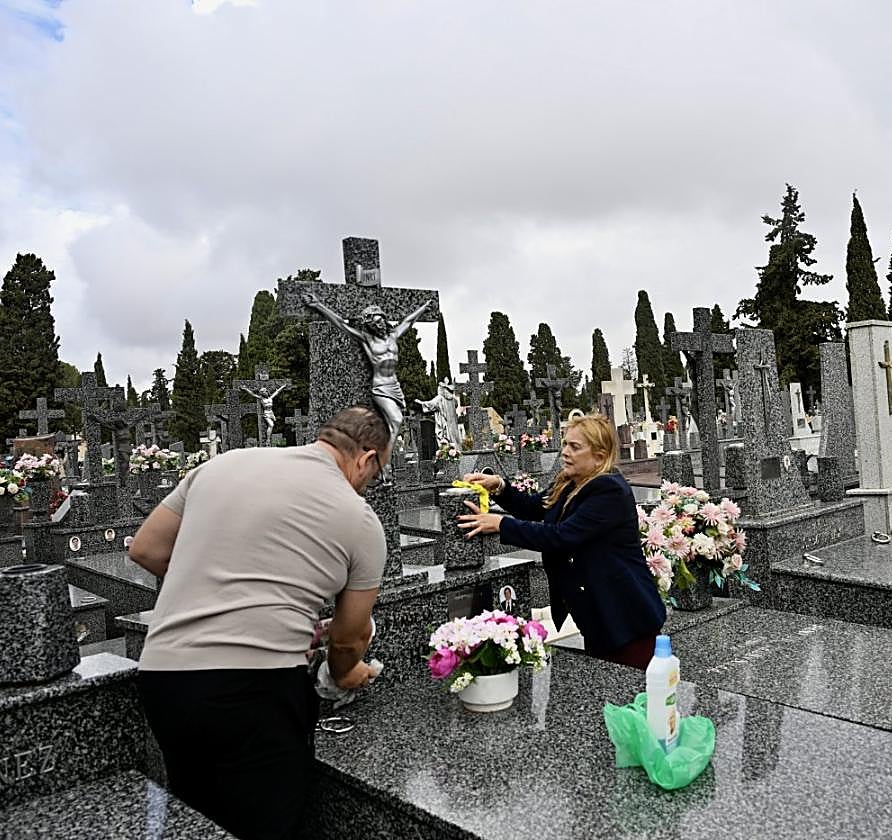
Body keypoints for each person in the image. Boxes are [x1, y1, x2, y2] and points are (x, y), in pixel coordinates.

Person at [129, 405, 390, 840]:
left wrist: (220, 590)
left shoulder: (223, 464)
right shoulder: (358, 518)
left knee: (198, 819)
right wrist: (349, 674)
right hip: (253, 689)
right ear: (366, 458)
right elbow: (349, 639)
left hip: (163, 679)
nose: (369, 483)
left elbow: (146, 549)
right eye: (375, 473)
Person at [458, 414, 666, 668]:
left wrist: (499, 523)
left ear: (599, 456)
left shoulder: (609, 490)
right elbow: (533, 507)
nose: (565, 452)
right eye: (565, 444)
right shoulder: (571, 482)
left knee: (635, 692)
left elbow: (562, 536)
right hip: (598, 614)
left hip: (625, 614)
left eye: (575, 447)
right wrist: (499, 486)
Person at [301, 293, 435, 477]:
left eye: (381, 321)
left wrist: (423, 309)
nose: (379, 325)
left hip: (395, 385)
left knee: (393, 424)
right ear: (370, 326)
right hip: (380, 386)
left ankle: (380, 458)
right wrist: (318, 305)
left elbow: (409, 321)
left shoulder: (393, 335)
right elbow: (342, 324)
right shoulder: (368, 340)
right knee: (396, 420)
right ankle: (382, 464)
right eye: (375, 323)